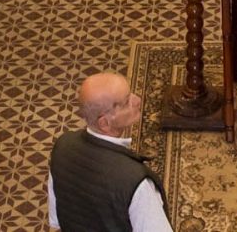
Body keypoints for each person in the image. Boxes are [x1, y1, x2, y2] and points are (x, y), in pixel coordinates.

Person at [45, 72, 171, 232]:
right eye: (126, 103)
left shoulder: (63, 146)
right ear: (104, 123)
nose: (137, 100)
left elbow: (56, 220)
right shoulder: (136, 184)